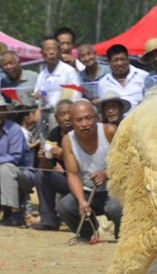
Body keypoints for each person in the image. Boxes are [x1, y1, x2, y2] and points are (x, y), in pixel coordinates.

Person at [57, 100, 122, 241]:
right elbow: (72, 174)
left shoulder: (110, 131)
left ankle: (122, 235)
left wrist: (106, 173)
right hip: (88, 192)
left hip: (114, 189)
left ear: (97, 118)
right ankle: (89, 233)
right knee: (65, 207)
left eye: (88, 118)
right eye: (79, 120)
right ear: (72, 122)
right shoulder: (68, 140)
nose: (84, 124)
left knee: (116, 209)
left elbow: (127, 161)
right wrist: (81, 201)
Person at [31, 101, 75, 230]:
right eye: (62, 114)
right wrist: (44, 158)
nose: (67, 118)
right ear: (56, 118)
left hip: (81, 180)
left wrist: (64, 156)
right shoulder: (54, 134)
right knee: (41, 175)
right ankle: (49, 220)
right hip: (65, 179)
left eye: (69, 114)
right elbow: (47, 167)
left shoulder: (81, 133)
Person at [0, 101, 33, 227]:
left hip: (23, 174)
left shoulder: (14, 129)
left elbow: (15, 158)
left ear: (4, 111)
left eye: (0, 109)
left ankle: (15, 214)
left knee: (6, 168)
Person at [34, 36, 82, 110]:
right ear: (42, 53)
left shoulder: (68, 71)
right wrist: (41, 94)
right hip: (46, 112)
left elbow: (76, 96)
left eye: (54, 49)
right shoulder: (42, 75)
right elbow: (39, 95)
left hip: (65, 112)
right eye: (47, 49)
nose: (51, 52)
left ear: (59, 51)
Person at [97, 44, 147, 111]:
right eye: (116, 60)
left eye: (122, 59)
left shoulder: (143, 76)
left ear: (128, 60)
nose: (120, 63)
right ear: (109, 63)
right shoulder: (103, 83)